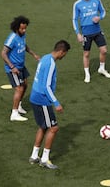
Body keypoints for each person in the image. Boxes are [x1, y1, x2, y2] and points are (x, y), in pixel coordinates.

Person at [28, 40, 71, 169]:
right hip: (42, 100)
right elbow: (46, 86)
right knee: (53, 128)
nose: (64, 56)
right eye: (65, 54)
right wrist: (56, 103)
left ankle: (34, 155)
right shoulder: (51, 63)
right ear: (61, 52)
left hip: (34, 97)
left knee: (43, 126)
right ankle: (45, 159)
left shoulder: (45, 57)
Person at [1, 15, 40, 122]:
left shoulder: (22, 35)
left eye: (25, 28)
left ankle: (19, 105)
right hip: (13, 68)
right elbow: (3, 53)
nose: (24, 30)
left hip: (21, 66)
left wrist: (33, 54)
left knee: (25, 85)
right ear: (16, 28)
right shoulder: (12, 38)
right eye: (22, 28)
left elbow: (24, 45)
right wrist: (12, 67)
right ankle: (14, 113)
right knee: (19, 88)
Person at [72, 0, 110, 83]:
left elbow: (103, 11)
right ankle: (87, 74)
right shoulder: (77, 4)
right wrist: (78, 33)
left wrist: (99, 17)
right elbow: (74, 19)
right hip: (86, 32)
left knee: (104, 50)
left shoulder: (96, 0)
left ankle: (102, 68)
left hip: (97, 30)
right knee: (86, 54)